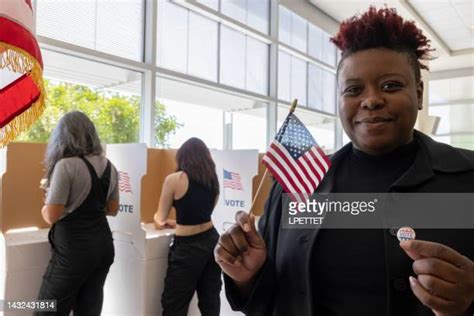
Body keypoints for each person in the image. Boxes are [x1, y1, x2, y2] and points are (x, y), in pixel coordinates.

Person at [215, 7, 474, 316]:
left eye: (391, 85)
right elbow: (272, 298)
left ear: (418, 93)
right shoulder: (297, 189)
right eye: (353, 89)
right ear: (339, 101)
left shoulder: (467, 178)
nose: (371, 99)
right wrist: (249, 278)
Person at [36, 111, 119, 315]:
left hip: (74, 252)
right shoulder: (110, 166)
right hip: (103, 248)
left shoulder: (66, 165)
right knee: (88, 309)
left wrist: (47, 199)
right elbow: (113, 209)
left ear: (62, 137)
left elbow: (51, 215)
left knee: (47, 309)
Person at [154, 137, 222, 316]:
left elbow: (159, 220)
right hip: (212, 243)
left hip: (187, 249)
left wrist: (162, 220)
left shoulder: (175, 179)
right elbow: (201, 216)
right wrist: (178, 222)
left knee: (174, 304)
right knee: (210, 303)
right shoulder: (213, 181)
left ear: (182, 157)